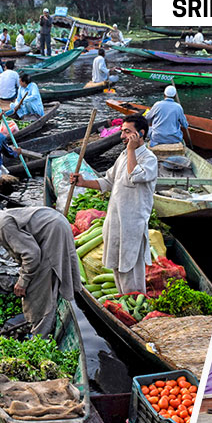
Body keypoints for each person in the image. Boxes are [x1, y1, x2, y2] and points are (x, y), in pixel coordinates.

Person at [0, 197, 81, 336]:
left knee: (38, 291)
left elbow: (32, 255)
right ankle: (44, 325)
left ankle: (40, 337)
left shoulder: (3, 224)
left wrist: (23, 282)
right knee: (42, 281)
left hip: (54, 231)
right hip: (55, 223)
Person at [70, 115, 156, 294]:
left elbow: (135, 175)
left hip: (132, 225)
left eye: (127, 132)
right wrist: (84, 182)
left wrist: (132, 150)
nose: (123, 136)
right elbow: (108, 182)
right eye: (122, 131)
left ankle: (134, 299)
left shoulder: (149, 159)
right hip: (115, 221)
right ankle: (124, 297)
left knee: (131, 267)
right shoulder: (124, 155)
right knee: (116, 265)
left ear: (140, 134)